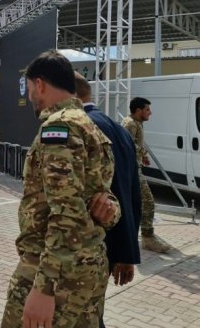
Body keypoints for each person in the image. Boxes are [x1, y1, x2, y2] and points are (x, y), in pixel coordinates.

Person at [1, 50, 120, 328]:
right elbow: (101, 198)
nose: (31, 96)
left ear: (39, 84)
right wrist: (111, 210)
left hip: (56, 272)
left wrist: (45, 287)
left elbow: (66, 213)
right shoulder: (90, 126)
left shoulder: (59, 127)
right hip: (89, 268)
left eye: (30, 89)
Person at [75, 73, 141, 328]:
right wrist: (127, 251)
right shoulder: (120, 130)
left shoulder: (80, 127)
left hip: (87, 245)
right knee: (92, 312)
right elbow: (131, 194)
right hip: (113, 241)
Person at [122, 97, 171, 253]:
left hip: (134, 167)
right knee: (148, 201)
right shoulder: (130, 124)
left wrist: (142, 156)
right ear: (138, 110)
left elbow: (135, 144)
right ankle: (148, 238)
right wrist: (142, 152)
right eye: (147, 109)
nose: (150, 113)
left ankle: (136, 236)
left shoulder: (136, 123)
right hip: (131, 170)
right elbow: (128, 144)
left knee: (135, 203)